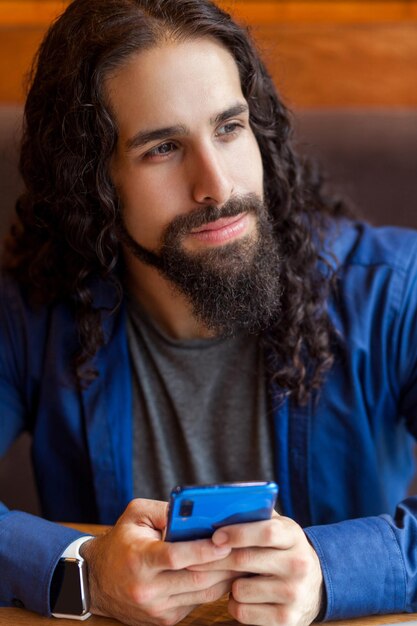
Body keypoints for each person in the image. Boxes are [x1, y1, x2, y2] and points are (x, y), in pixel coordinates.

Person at [1, 0, 417, 624]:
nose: (217, 185)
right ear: (92, 183)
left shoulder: (393, 292)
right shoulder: (30, 313)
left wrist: (328, 571)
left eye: (229, 127)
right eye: (163, 147)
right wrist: (83, 572)